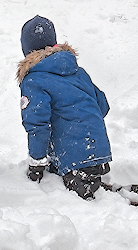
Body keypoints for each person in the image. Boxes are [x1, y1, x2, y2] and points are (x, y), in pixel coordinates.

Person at [18, 15, 114, 200]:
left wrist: (37, 163)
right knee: (97, 192)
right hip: (98, 150)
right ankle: (133, 196)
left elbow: (38, 124)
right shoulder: (78, 72)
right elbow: (102, 106)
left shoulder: (33, 81)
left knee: (88, 200)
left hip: (73, 158)